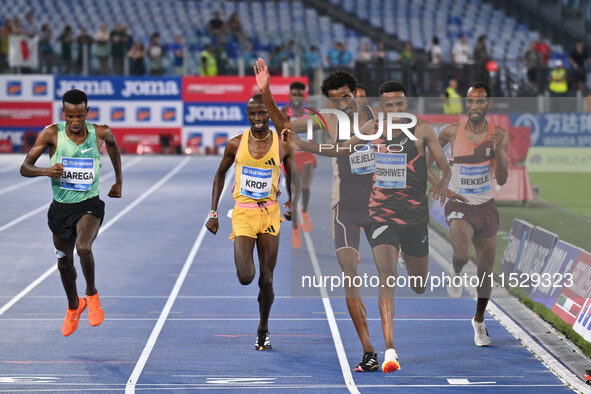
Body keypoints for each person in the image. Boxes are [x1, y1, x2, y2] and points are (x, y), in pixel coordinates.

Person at [256, 58, 454, 373]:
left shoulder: (380, 119)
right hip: (345, 207)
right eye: (334, 99)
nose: (342, 103)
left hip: (381, 206)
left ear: (356, 94)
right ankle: (369, 352)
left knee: (395, 278)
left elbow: (412, 153)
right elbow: (283, 124)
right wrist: (266, 91)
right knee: (350, 275)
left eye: (345, 96)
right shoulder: (327, 121)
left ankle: (390, 329)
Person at [19, 89, 122, 336]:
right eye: (70, 117)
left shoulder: (100, 133)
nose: (75, 122)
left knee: (83, 248)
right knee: (64, 264)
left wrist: (118, 181)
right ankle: (74, 307)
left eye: (79, 116)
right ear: (63, 114)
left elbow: (113, 145)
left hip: (89, 205)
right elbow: (24, 167)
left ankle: (92, 295)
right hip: (60, 209)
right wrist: (46, 171)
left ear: (87, 112)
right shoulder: (52, 134)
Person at [205, 90, 296, 351]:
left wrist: (292, 200)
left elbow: (293, 176)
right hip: (243, 213)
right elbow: (218, 176)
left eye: (262, 113)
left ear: (269, 114)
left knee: (266, 279)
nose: (257, 118)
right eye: (252, 114)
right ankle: (258, 303)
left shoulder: (283, 144)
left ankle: (263, 329)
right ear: (247, 116)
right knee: (246, 276)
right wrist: (213, 213)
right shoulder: (235, 144)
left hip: (269, 213)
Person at [427, 82, 508, 347]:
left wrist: (497, 152)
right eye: (470, 101)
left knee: (486, 272)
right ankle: (456, 267)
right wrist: (437, 183)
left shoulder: (498, 134)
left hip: (486, 206)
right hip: (459, 204)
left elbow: (503, 178)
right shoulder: (451, 131)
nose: (474, 106)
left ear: (489, 104)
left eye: (480, 101)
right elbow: (425, 161)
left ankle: (479, 321)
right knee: (462, 254)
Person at [281, 81, 314, 248]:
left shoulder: (309, 113)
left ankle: (305, 211)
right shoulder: (284, 112)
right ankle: (295, 229)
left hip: (306, 154)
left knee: (306, 187)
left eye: (299, 94)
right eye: (294, 94)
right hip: (290, 157)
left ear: (303, 96)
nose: (297, 97)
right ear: (290, 95)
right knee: (293, 195)